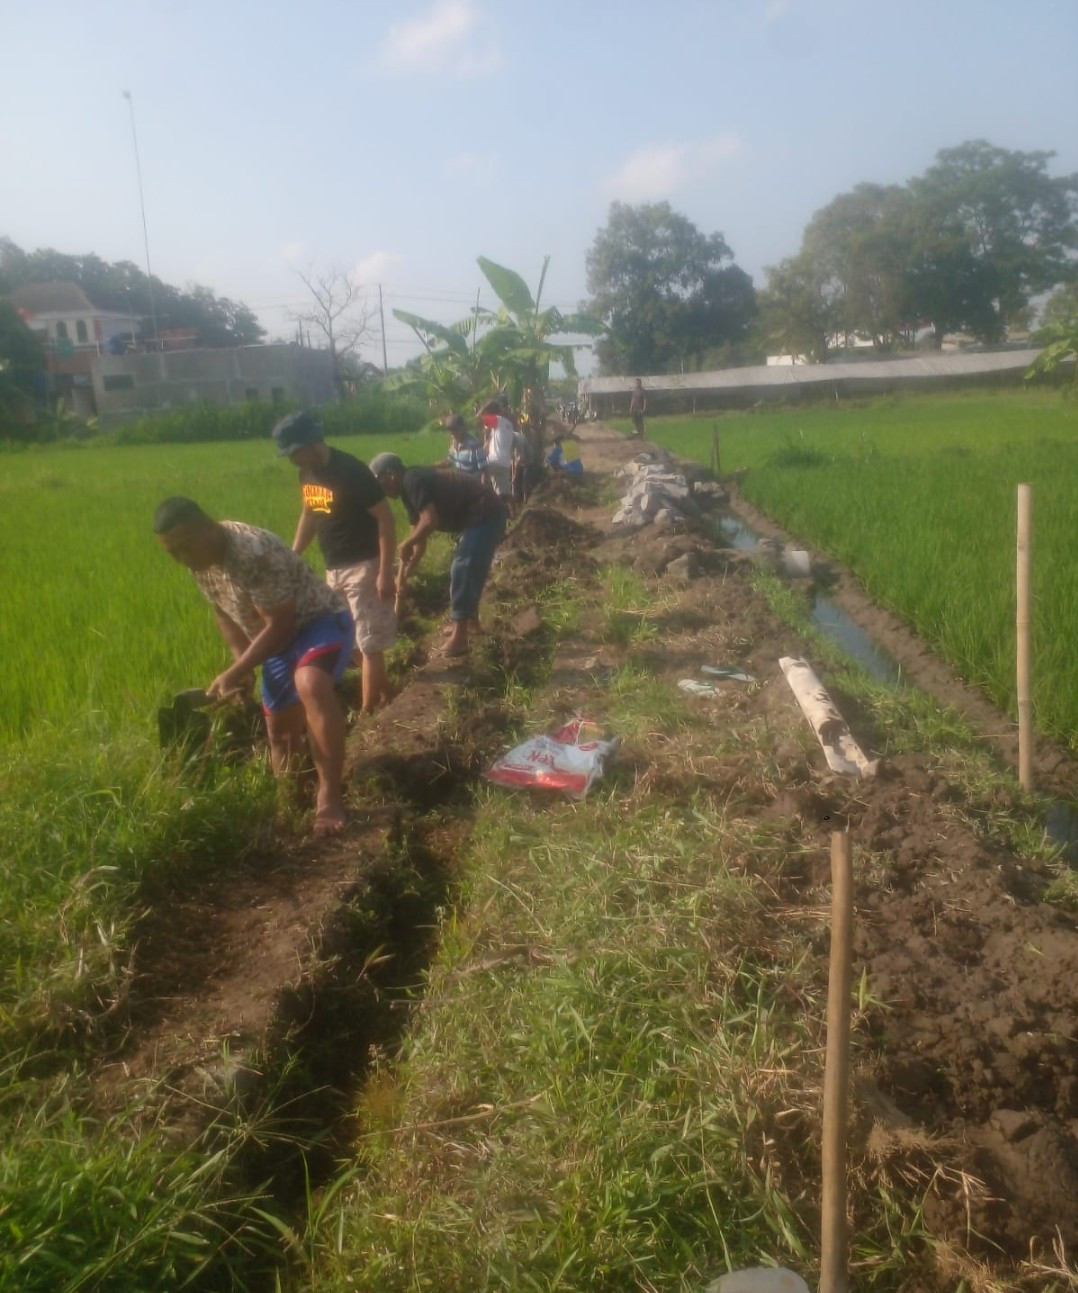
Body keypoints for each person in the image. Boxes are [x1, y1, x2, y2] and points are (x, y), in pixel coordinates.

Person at [154, 496, 354, 836]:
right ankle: (291, 804)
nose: (180, 559)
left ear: (208, 529)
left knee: (311, 684)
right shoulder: (199, 561)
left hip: (318, 621)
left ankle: (329, 798)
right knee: (279, 732)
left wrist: (233, 673)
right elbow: (223, 610)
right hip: (277, 640)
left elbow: (281, 624)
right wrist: (240, 662)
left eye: (184, 548)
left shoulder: (252, 552)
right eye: (172, 552)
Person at [271, 411, 396, 714]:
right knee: (348, 639)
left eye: (294, 452)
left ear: (313, 443)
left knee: (368, 644)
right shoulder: (308, 473)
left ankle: (367, 714)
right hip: (334, 568)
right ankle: (387, 691)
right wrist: (292, 556)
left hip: (364, 565)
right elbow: (310, 515)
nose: (292, 460)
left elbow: (385, 518)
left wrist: (384, 572)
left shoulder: (350, 470)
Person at [368, 453, 507, 659]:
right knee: (467, 568)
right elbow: (419, 540)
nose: (383, 492)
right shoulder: (408, 492)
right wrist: (406, 572)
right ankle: (471, 624)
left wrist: (408, 543)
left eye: (381, 484)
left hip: (485, 512)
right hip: (476, 517)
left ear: (391, 474)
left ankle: (459, 639)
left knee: (462, 568)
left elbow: (429, 521)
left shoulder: (412, 480)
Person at [479, 399, 524, 512]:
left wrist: (484, 407)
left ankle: (482, 502)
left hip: (494, 461)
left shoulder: (496, 420)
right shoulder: (508, 424)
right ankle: (514, 514)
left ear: (491, 412)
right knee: (505, 493)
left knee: (479, 471)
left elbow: (479, 417)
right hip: (504, 464)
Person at [443, 412, 488, 478]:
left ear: (463, 428)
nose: (453, 433)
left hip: (473, 482)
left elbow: (484, 468)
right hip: (460, 482)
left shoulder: (474, 444)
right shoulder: (454, 444)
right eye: (451, 430)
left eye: (455, 430)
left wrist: (482, 486)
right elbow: (449, 462)